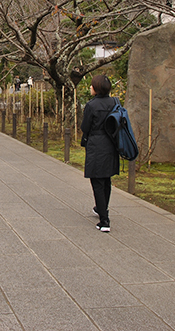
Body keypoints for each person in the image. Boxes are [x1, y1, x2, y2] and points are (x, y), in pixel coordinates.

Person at [79, 75, 120, 233]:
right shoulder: (115, 102)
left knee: (97, 181)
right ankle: (102, 209)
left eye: (91, 85)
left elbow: (85, 126)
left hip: (96, 144)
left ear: (96, 88)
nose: (90, 88)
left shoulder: (91, 105)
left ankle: (104, 220)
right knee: (106, 179)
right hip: (111, 144)